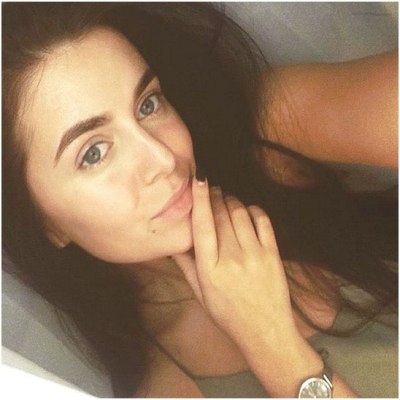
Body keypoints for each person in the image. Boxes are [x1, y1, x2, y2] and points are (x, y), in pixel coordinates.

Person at [2, 3, 398, 398]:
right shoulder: (166, 392)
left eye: (148, 104)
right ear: (43, 223)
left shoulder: (267, 139)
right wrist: (274, 346)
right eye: (94, 153)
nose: (163, 158)